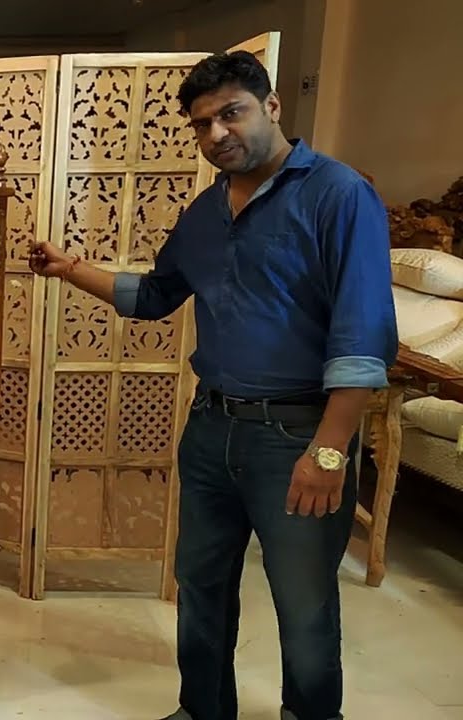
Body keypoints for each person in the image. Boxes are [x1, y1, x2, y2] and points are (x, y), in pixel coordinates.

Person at [30, 51, 397, 720]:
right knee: (200, 586)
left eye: (232, 113)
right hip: (211, 431)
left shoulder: (338, 195)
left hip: (297, 434)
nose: (217, 134)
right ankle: (202, 710)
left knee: (304, 602)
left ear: (272, 106)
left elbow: (363, 334)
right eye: (202, 124)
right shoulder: (205, 212)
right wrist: (70, 268)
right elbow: (155, 295)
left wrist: (329, 451)